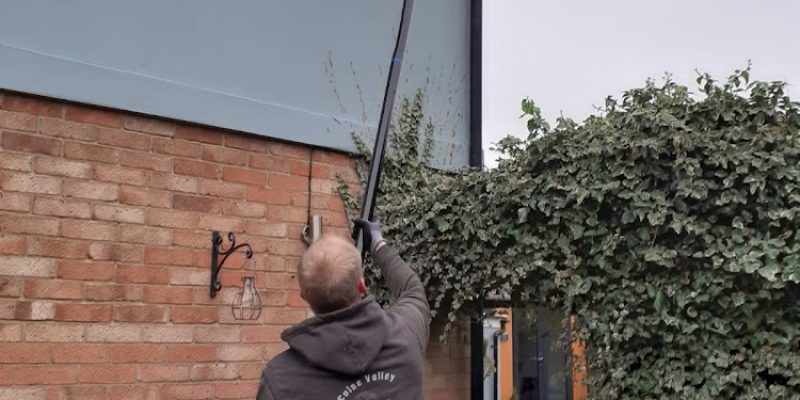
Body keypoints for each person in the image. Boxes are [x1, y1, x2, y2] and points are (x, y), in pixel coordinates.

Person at [257, 219, 431, 400]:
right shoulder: (406, 333)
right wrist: (378, 244)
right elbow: (413, 290)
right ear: (362, 285)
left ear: (304, 296)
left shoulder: (280, 381)